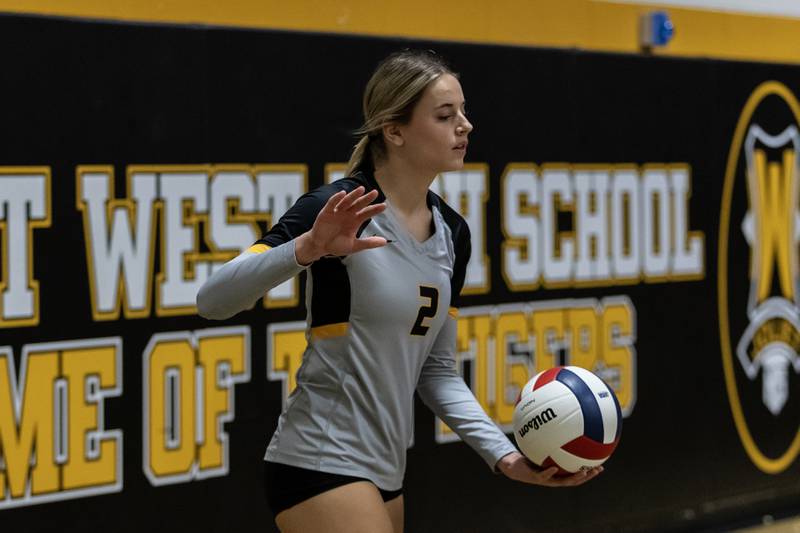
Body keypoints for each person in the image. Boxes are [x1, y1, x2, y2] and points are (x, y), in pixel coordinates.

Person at [196, 49, 602, 533]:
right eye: (445, 115)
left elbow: (438, 371)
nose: (465, 125)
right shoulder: (337, 207)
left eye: (463, 111)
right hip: (318, 457)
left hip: (386, 472)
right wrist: (307, 247)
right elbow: (212, 300)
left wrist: (505, 456)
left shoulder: (452, 232)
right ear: (394, 130)